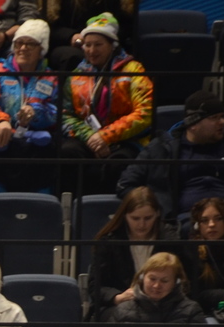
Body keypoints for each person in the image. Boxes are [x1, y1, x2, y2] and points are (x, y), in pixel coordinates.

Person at [117, 93, 224, 224]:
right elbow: (126, 184)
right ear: (193, 124)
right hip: (182, 220)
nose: (222, 122)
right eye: (214, 118)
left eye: (223, 116)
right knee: (187, 229)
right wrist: (155, 208)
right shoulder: (160, 148)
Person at [58, 14, 153, 198]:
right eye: (87, 44)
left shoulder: (133, 70)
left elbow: (145, 113)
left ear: (113, 45)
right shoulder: (77, 74)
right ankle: (72, 211)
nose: (92, 50)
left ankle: (113, 213)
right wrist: (91, 137)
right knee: (67, 153)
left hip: (126, 141)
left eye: (98, 44)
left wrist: (106, 136)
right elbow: (64, 114)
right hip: (89, 139)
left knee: (118, 164)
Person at [0, 19, 59, 194]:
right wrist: (0, 121)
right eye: (19, 42)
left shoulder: (51, 78)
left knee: (48, 149)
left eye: (30, 44)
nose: (23, 48)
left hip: (34, 144)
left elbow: (56, 114)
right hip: (0, 139)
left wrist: (35, 113)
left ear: (41, 49)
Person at [86, 186, 180, 321]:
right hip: (119, 306)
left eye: (148, 218)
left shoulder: (170, 240)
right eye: (135, 218)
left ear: (157, 214)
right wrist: (117, 297)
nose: (142, 224)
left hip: (162, 305)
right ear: (125, 216)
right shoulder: (109, 241)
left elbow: (183, 280)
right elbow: (95, 286)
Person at [42, 0, 139, 72]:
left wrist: (104, 34)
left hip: (108, 41)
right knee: (71, 56)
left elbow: (126, 24)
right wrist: (71, 36)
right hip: (69, 45)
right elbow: (50, 27)